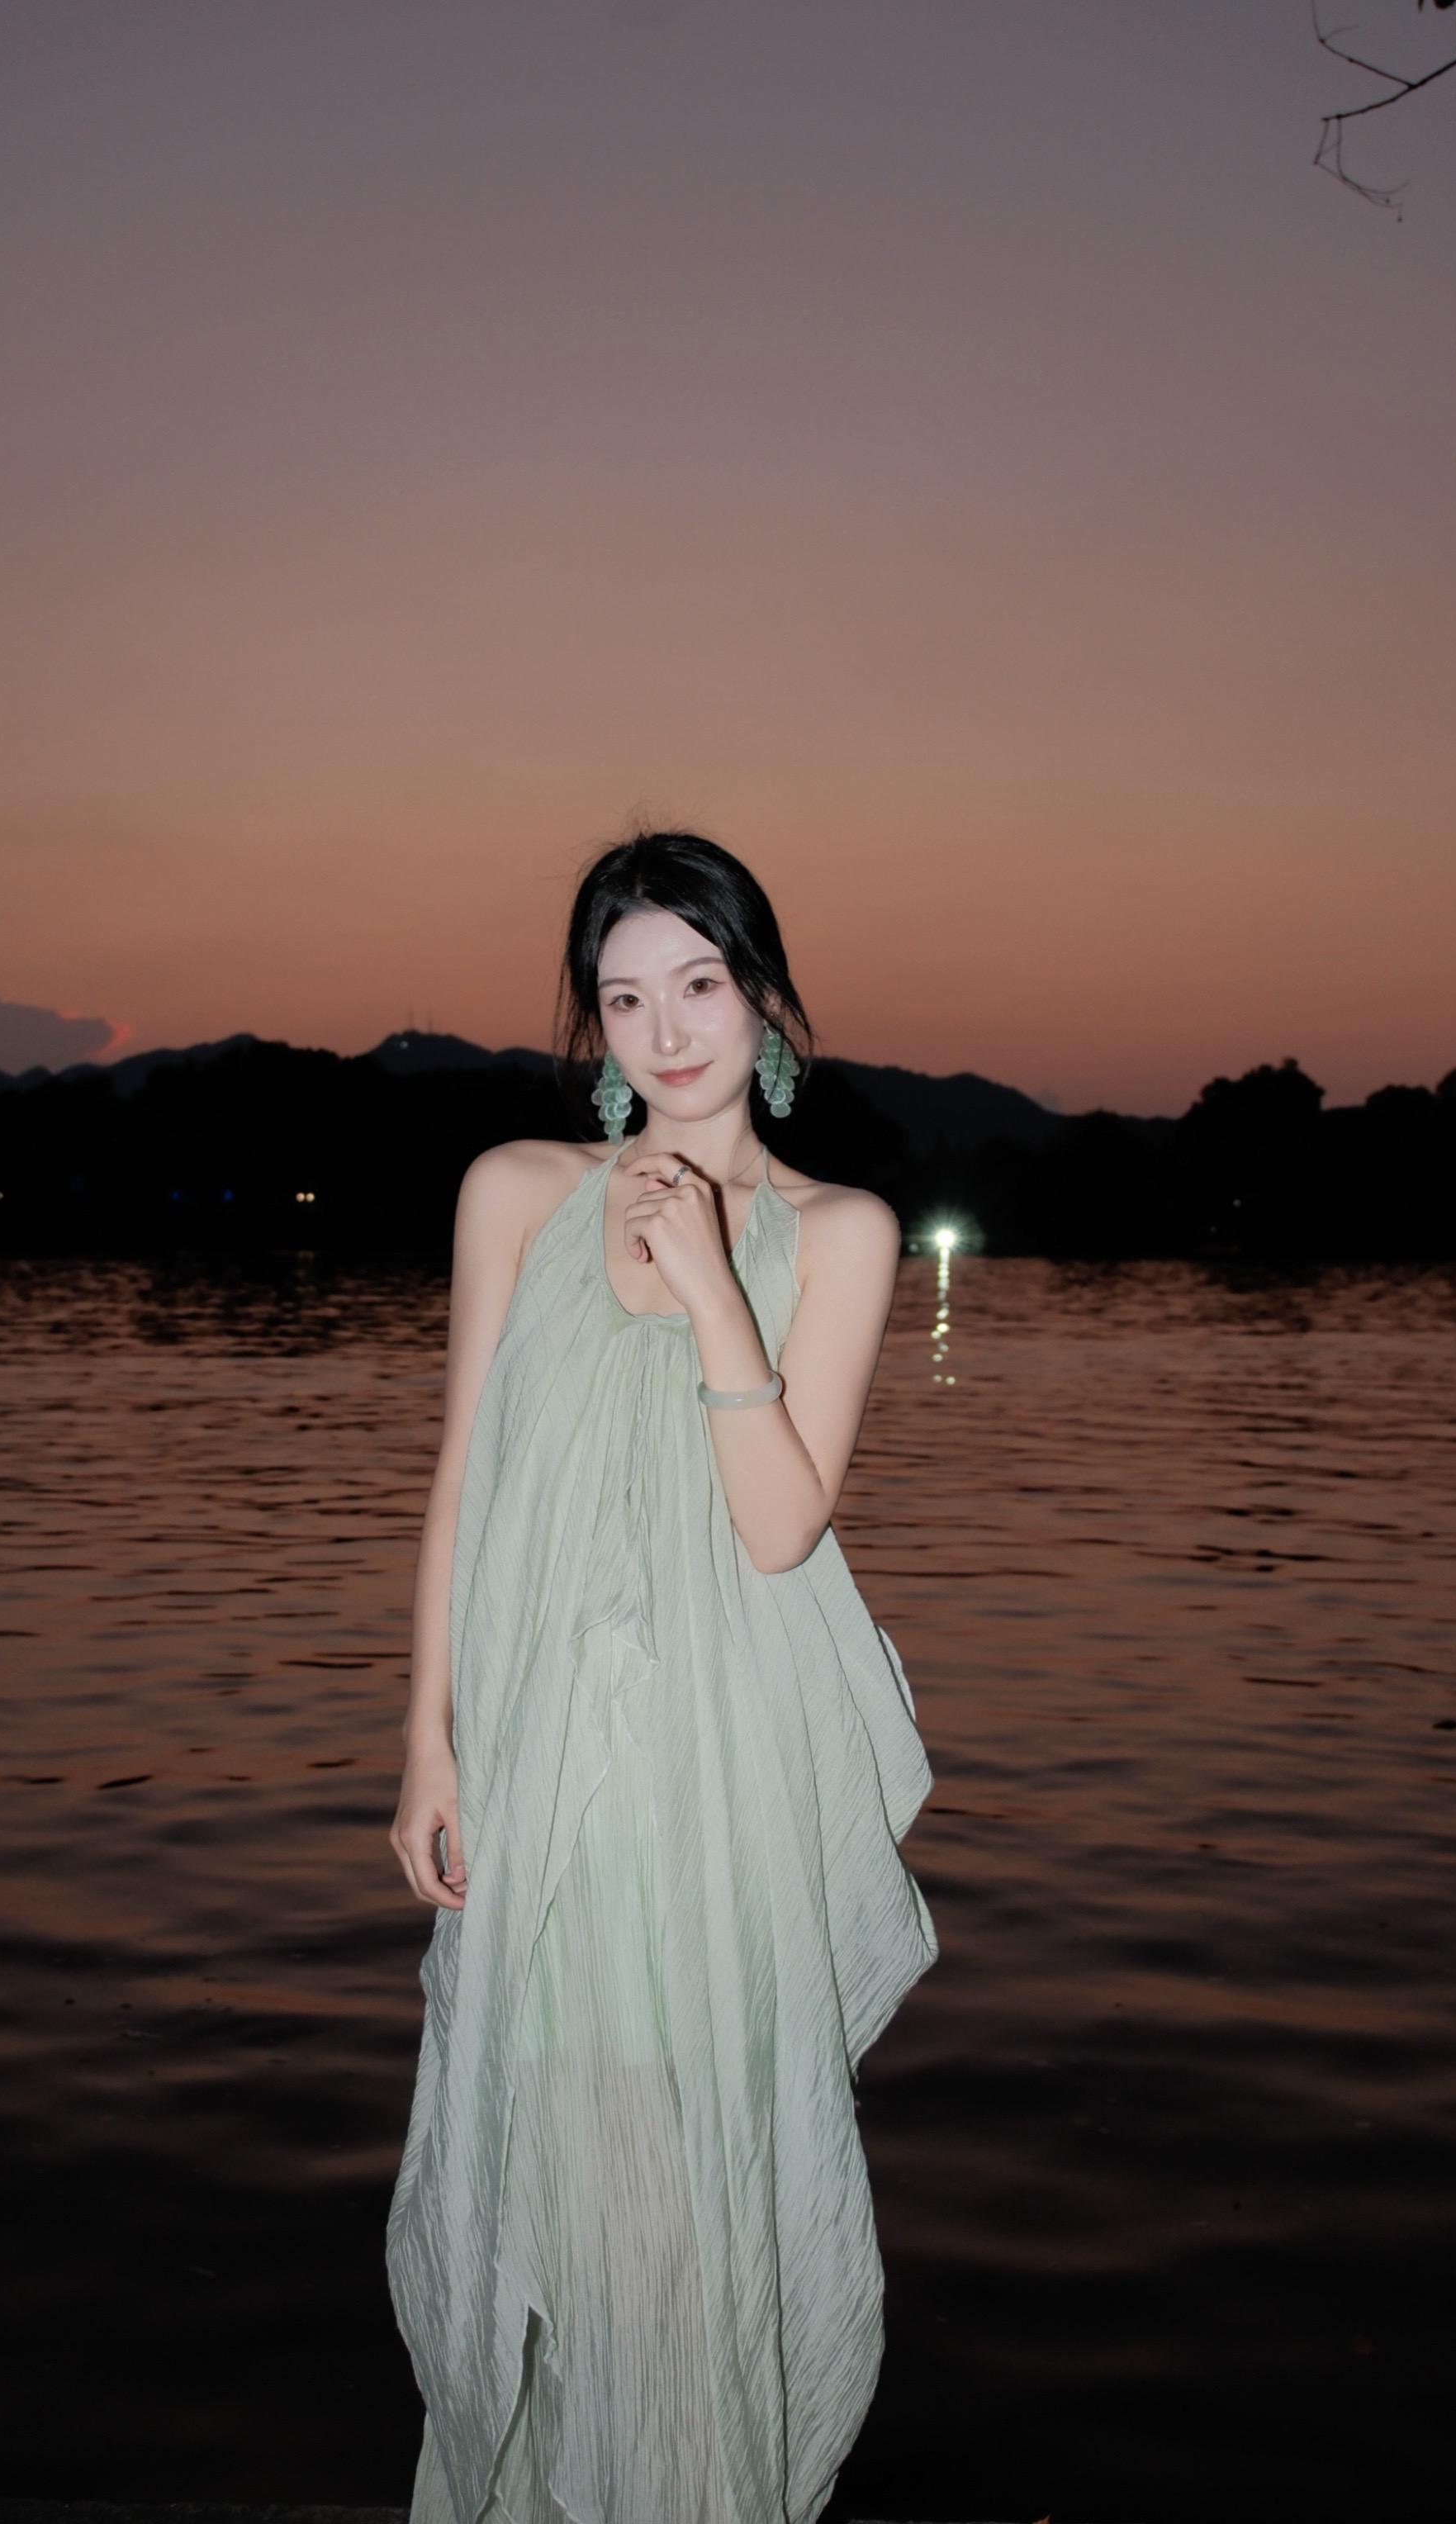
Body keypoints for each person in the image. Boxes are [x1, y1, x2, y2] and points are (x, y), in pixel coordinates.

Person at [386, 828, 938, 2524]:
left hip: (715, 1781)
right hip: (542, 1763)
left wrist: (709, 1290)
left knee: (699, 2202)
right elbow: (463, 1476)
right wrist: (427, 1748)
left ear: (762, 996)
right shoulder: (516, 1191)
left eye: (697, 983)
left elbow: (778, 1527)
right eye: (622, 998)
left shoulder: (837, 1230)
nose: (665, 1029)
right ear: (594, 1026)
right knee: (546, 2184)